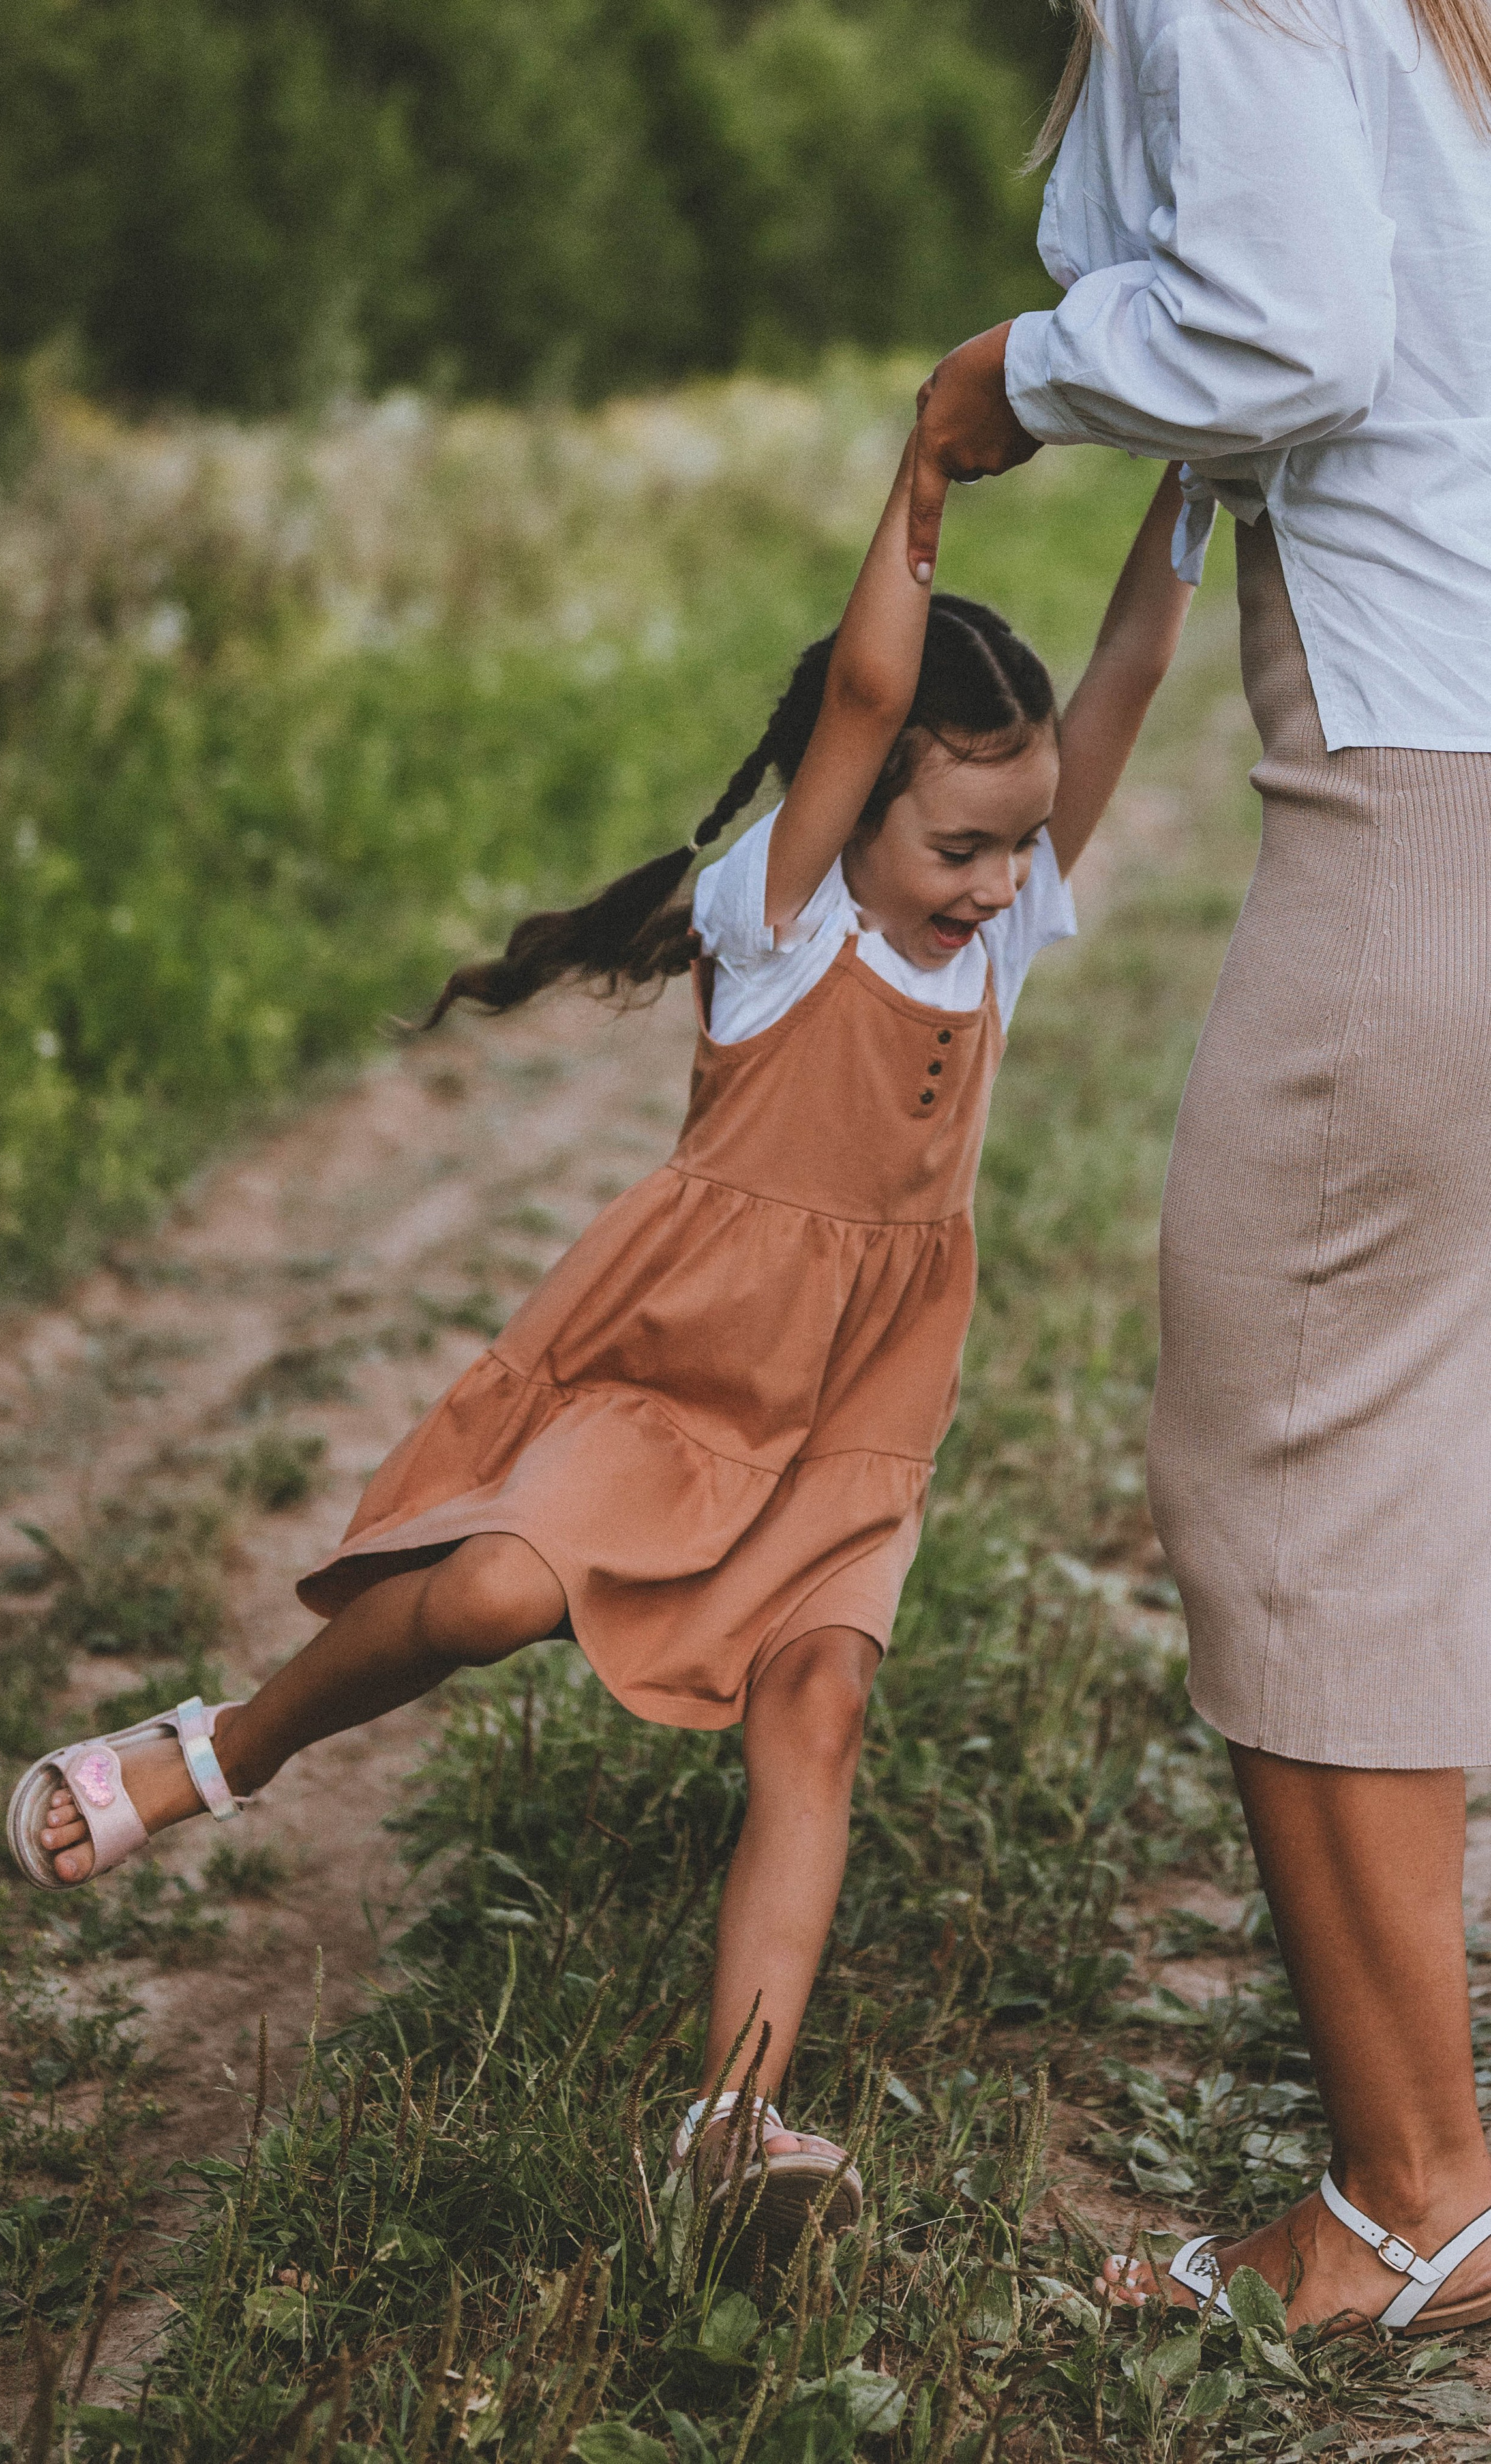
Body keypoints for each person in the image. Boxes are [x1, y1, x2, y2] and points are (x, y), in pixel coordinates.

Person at [5, 436, 1193, 2260]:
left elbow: (1118, 684)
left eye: (1019, 843)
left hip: (860, 1405)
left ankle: (734, 2119)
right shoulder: (787, 923)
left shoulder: (998, 924)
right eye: (959, 842)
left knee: (820, 1705)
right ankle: (223, 1748)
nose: (997, 879)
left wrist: (1193, 487)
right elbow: (874, 674)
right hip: (680, 1367)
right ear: (846, 801)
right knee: (488, 1591)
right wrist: (934, 451)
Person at [907, 0, 1491, 2339]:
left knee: (1280, 1444)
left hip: (1415, 820)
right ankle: (1428, 2152)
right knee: (1400, 1442)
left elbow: (1284, 328)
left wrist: (1008, 378)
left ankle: (1412, 2198)